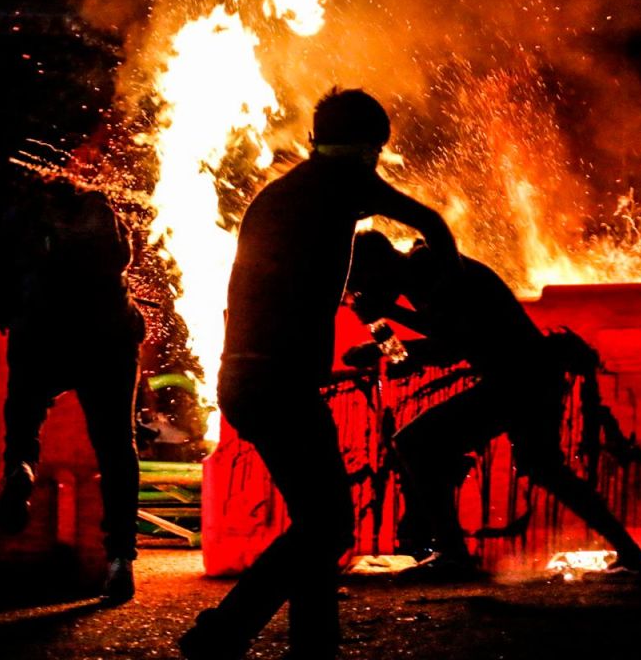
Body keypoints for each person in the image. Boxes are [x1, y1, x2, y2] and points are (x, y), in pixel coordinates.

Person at [179, 89, 459, 660]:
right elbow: (429, 219)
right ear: (368, 149)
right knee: (329, 523)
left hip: (248, 377)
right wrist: (445, 287)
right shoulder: (344, 180)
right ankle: (223, 632)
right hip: (279, 381)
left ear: (313, 139)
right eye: (376, 151)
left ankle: (315, 643)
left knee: (315, 520)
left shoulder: (285, 195)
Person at [343, 231, 641, 581]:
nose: (363, 292)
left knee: (415, 443)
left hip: (519, 377)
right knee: (545, 468)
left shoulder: (432, 268)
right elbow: (408, 357)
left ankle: (453, 555)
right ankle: (633, 556)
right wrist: (378, 329)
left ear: (378, 266)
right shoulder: (419, 276)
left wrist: (386, 315)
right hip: (524, 377)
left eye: (361, 284)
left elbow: (451, 343)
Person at [0, 176, 146, 604]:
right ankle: (120, 560)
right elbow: (125, 262)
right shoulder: (103, 211)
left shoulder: (23, 217)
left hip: (41, 334)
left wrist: (2, 310)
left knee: (24, 413)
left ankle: (21, 466)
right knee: (115, 445)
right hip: (110, 337)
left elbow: (0, 291)